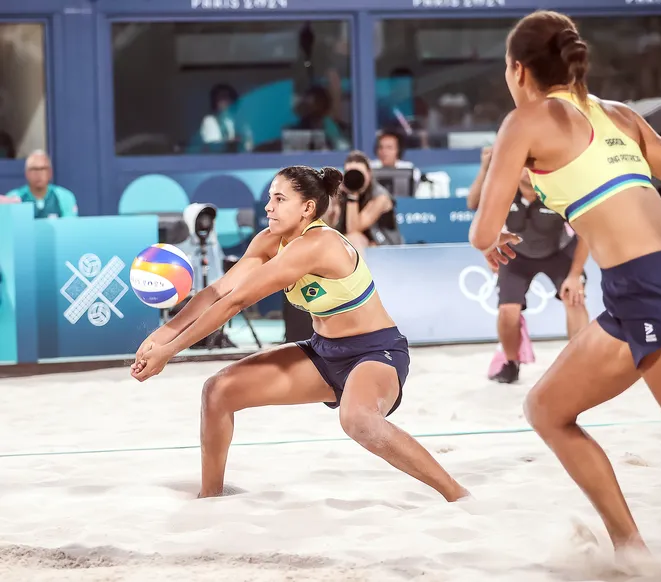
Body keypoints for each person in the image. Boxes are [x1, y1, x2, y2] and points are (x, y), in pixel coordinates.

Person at [469, 9, 661, 561]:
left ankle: (631, 546)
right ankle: (630, 550)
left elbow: (480, 228)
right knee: (546, 409)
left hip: (654, 293)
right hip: (647, 287)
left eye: (506, 68)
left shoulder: (524, 120)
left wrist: (489, 236)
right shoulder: (621, 116)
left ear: (518, 70)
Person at [130, 165, 468, 503]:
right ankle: (211, 498)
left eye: (279, 199)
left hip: (375, 352)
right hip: (323, 353)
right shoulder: (269, 241)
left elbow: (237, 301)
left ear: (307, 207)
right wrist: (164, 334)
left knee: (357, 420)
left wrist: (171, 351)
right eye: (269, 198)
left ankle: (456, 493)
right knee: (217, 391)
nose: (268, 207)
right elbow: (217, 292)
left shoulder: (318, 243)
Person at [467, 144, 589, 383]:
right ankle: (511, 364)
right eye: (522, 164)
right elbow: (474, 205)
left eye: (532, 164)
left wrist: (575, 275)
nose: (526, 170)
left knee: (574, 299)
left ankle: (582, 363)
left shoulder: (558, 191)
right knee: (507, 311)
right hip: (517, 256)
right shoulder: (504, 189)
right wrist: (485, 168)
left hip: (559, 252)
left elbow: (586, 233)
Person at [336, 150, 404, 251]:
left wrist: (352, 195)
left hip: (386, 247)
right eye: (350, 173)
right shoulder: (341, 191)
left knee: (354, 238)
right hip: (356, 245)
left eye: (359, 173)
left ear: (369, 173)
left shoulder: (380, 197)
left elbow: (353, 229)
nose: (354, 178)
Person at [2, 150, 78, 218]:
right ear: (26, 173)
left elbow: (70, 227)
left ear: (50, 172)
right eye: (34, 169)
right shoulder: (13, 197)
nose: (39, 174)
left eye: (43, 169)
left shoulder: (64, 197)